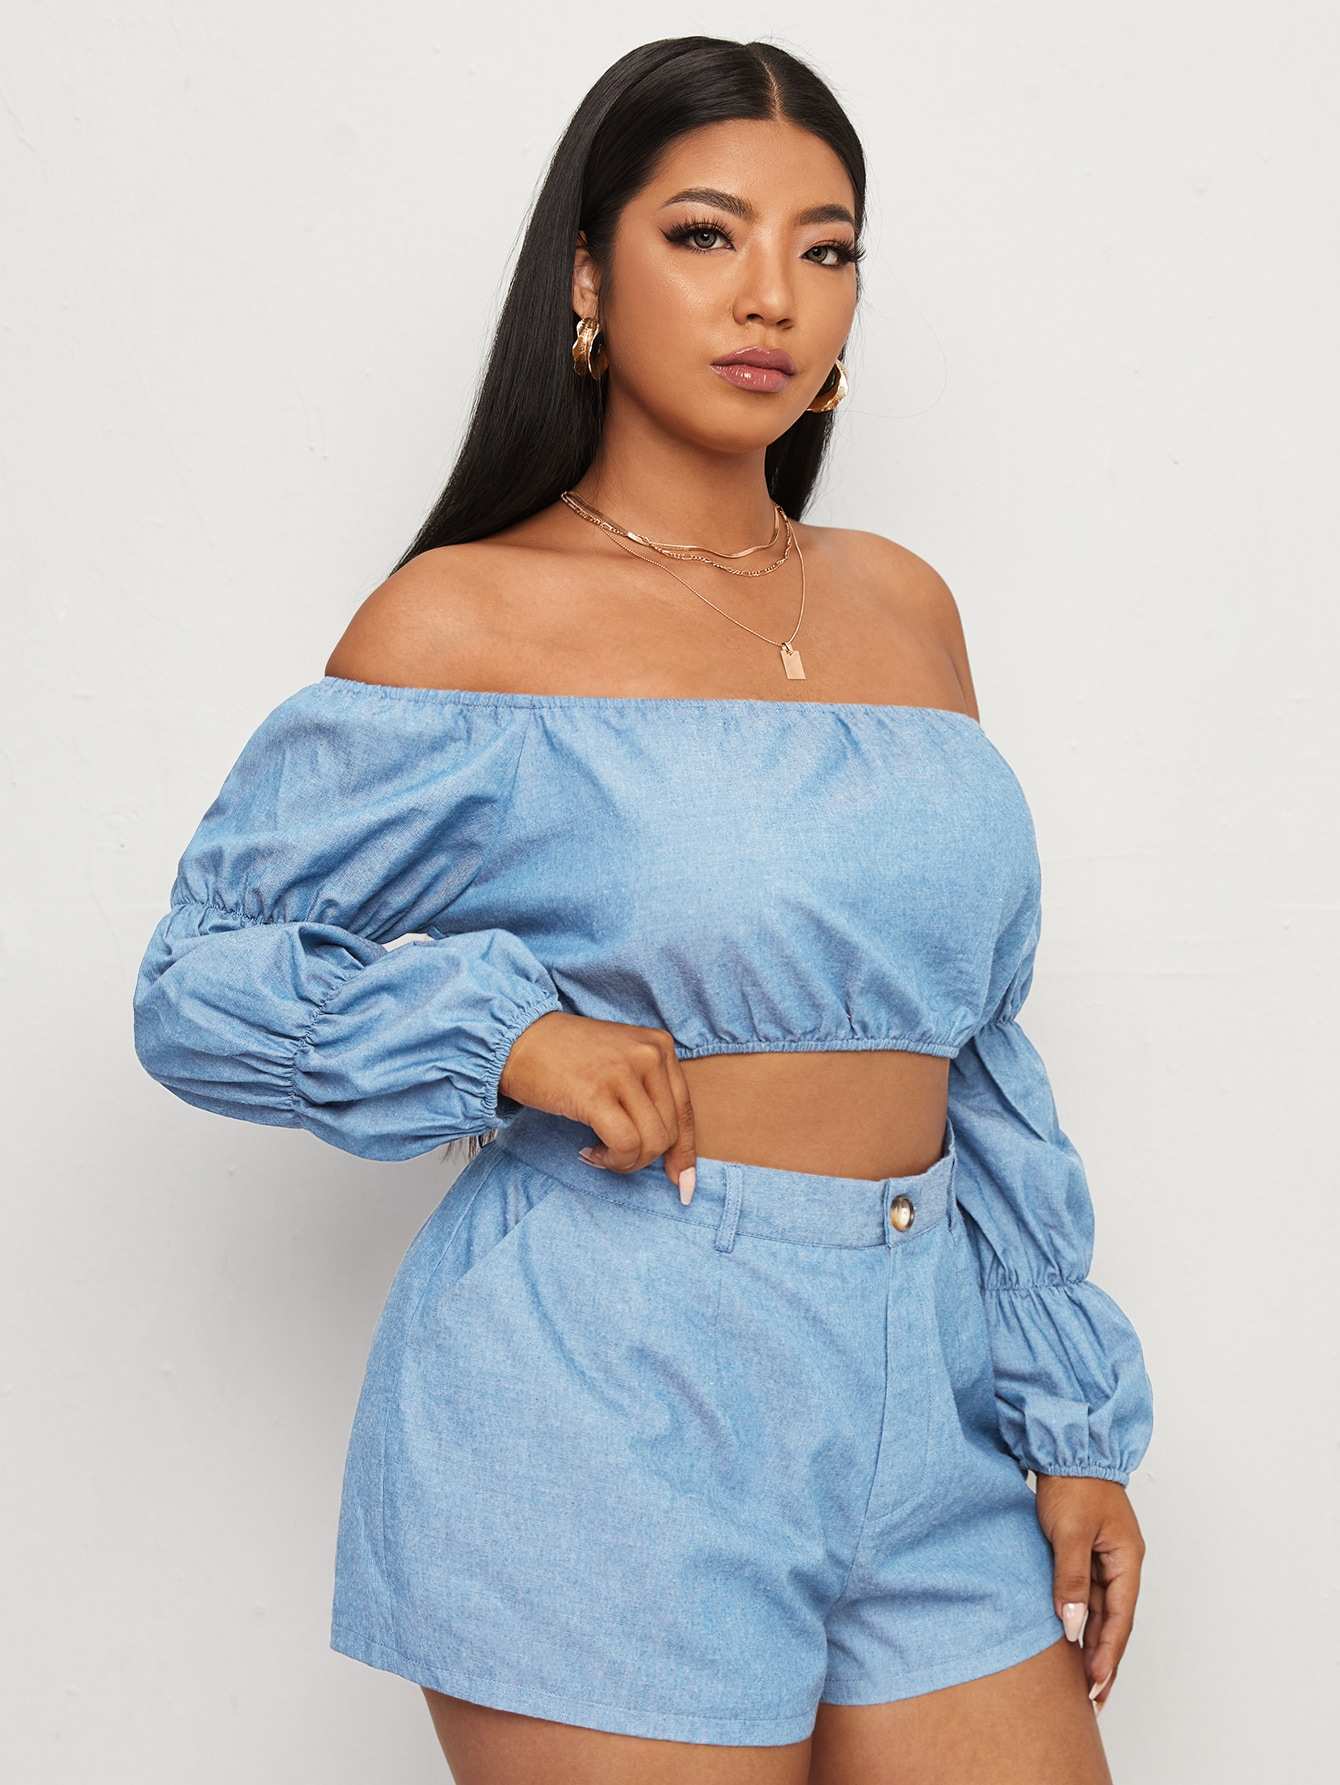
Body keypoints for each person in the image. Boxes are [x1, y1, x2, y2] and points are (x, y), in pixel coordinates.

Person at [131, 35, 1153, 1785]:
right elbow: (197, 980)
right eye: (705, 234)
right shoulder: (468, 618)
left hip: (934, 1398)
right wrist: (504, 1038)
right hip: (609, 1379)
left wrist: (1069, 1414)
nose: (773, 297)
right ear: (589, 279)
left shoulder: (905, 608)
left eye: (826, 249)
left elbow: (973, 1041)